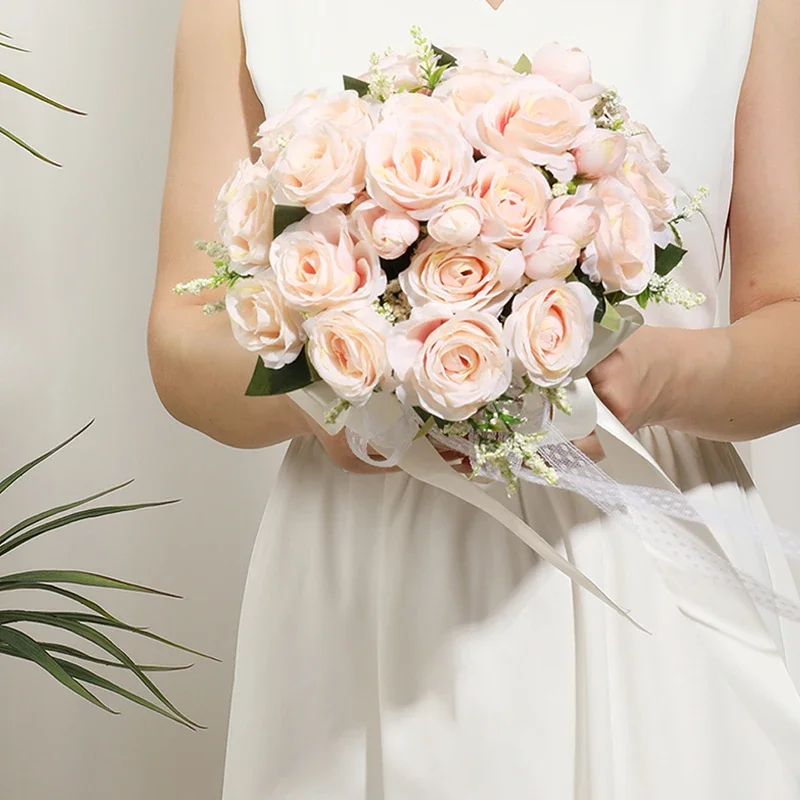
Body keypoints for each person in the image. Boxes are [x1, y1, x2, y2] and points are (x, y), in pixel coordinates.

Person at [148, 0, 800, 796]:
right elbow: (183, 340)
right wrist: (337, 393)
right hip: (369, 570)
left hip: (642, 549)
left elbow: (789, 316)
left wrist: (659, 377)